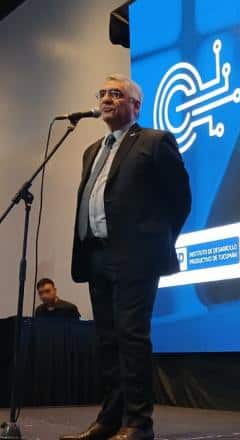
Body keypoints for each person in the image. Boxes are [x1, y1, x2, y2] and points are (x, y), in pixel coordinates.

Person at [61, 74, 191, 440]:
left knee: (131, 336)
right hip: (97, 255)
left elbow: (180, 199)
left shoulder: (154, 141)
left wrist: (154, 241)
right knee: (107, 340)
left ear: (136, 105)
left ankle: (138, 423)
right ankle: (109, 419)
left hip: (136, 257)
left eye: (116, 94)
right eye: (102, 93)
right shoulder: (92, 150)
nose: (106, 99)